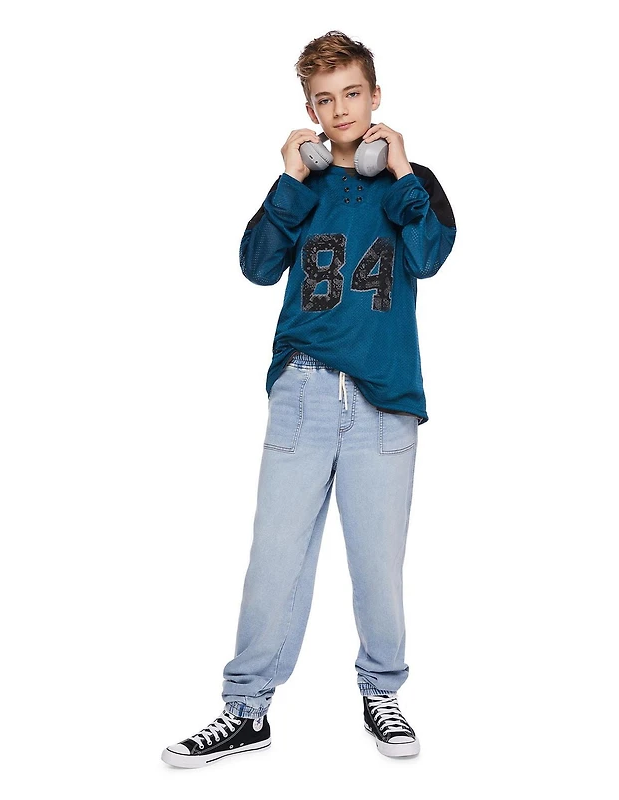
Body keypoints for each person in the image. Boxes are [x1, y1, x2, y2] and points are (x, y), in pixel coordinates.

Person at [162, 30, 456, 769]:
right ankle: (245, 710)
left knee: (379, 567)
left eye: (353, 93)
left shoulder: (414, 182)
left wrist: (402, 169)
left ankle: (382, 692)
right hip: (304, 391)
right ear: (310, 112)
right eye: (325, 100)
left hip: (384, 401)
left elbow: (429, 255)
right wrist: (291, 178)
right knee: (275, 560)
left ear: (376, 96)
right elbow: (256, 264)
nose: (341, 109)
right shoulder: (303, 184)